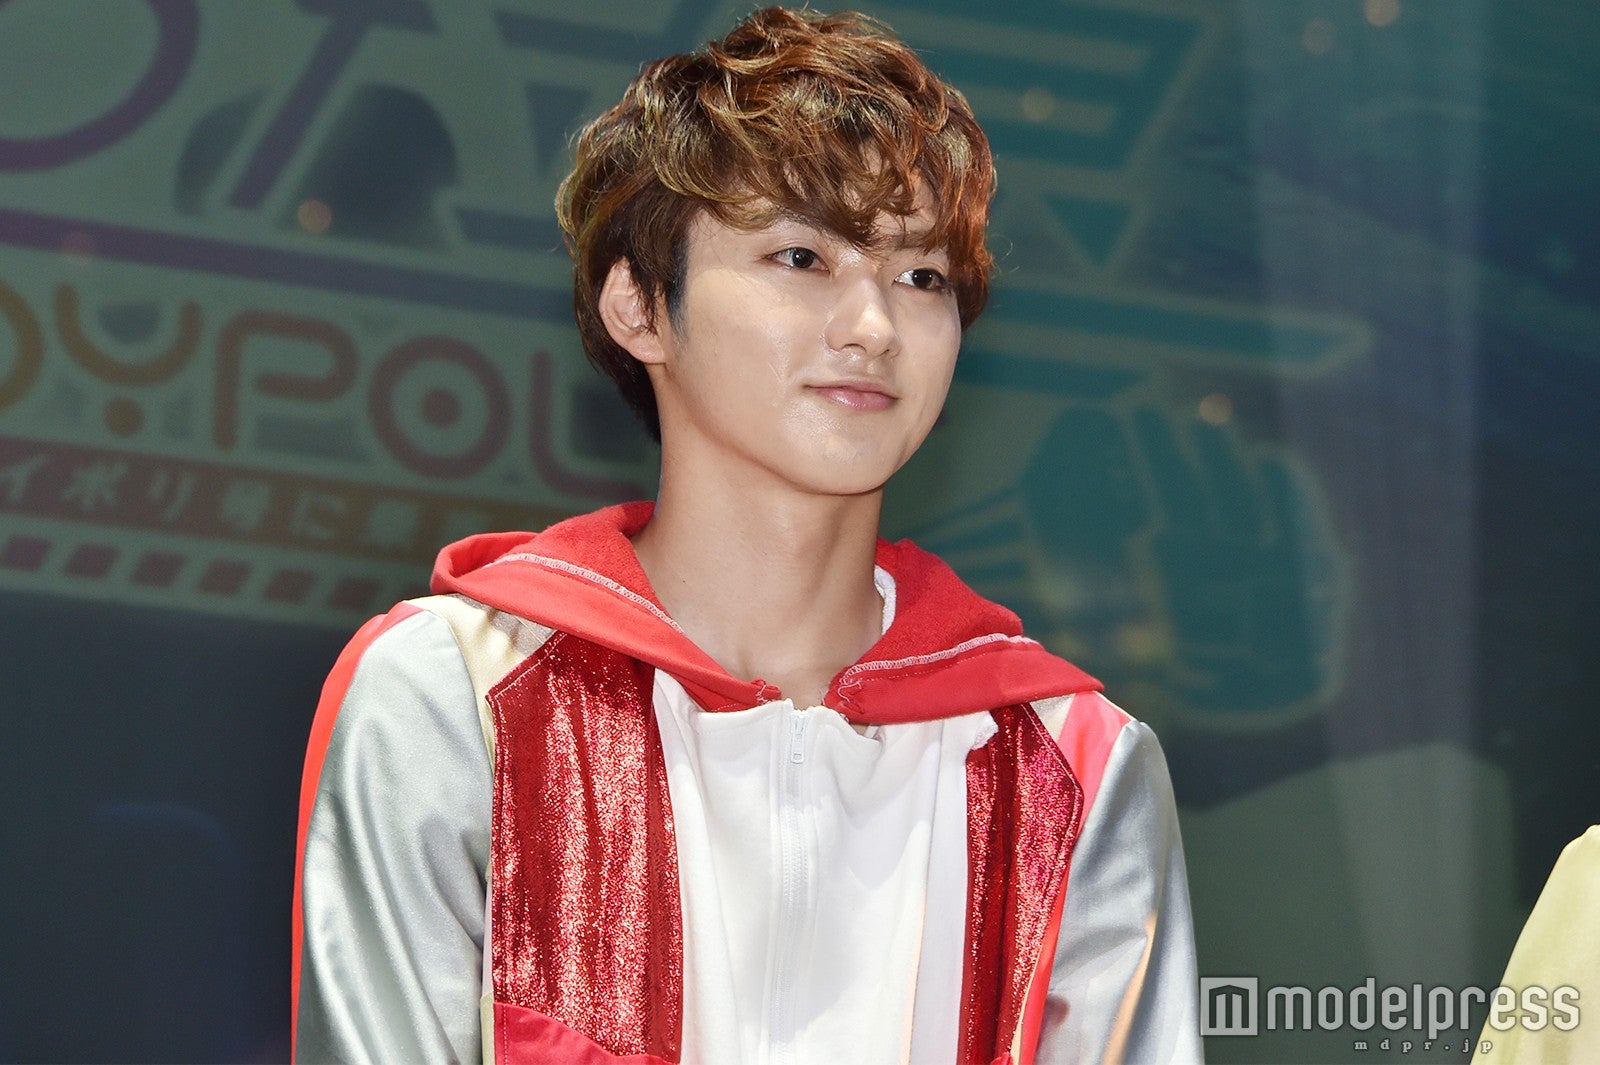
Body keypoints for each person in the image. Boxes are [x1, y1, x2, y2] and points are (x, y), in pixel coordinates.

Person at [292, 7, 1201, 1063]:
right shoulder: (453, 700)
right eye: (801, 256)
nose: (873, 327)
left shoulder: (1070, 763)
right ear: (640, 309)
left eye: (921, 277)